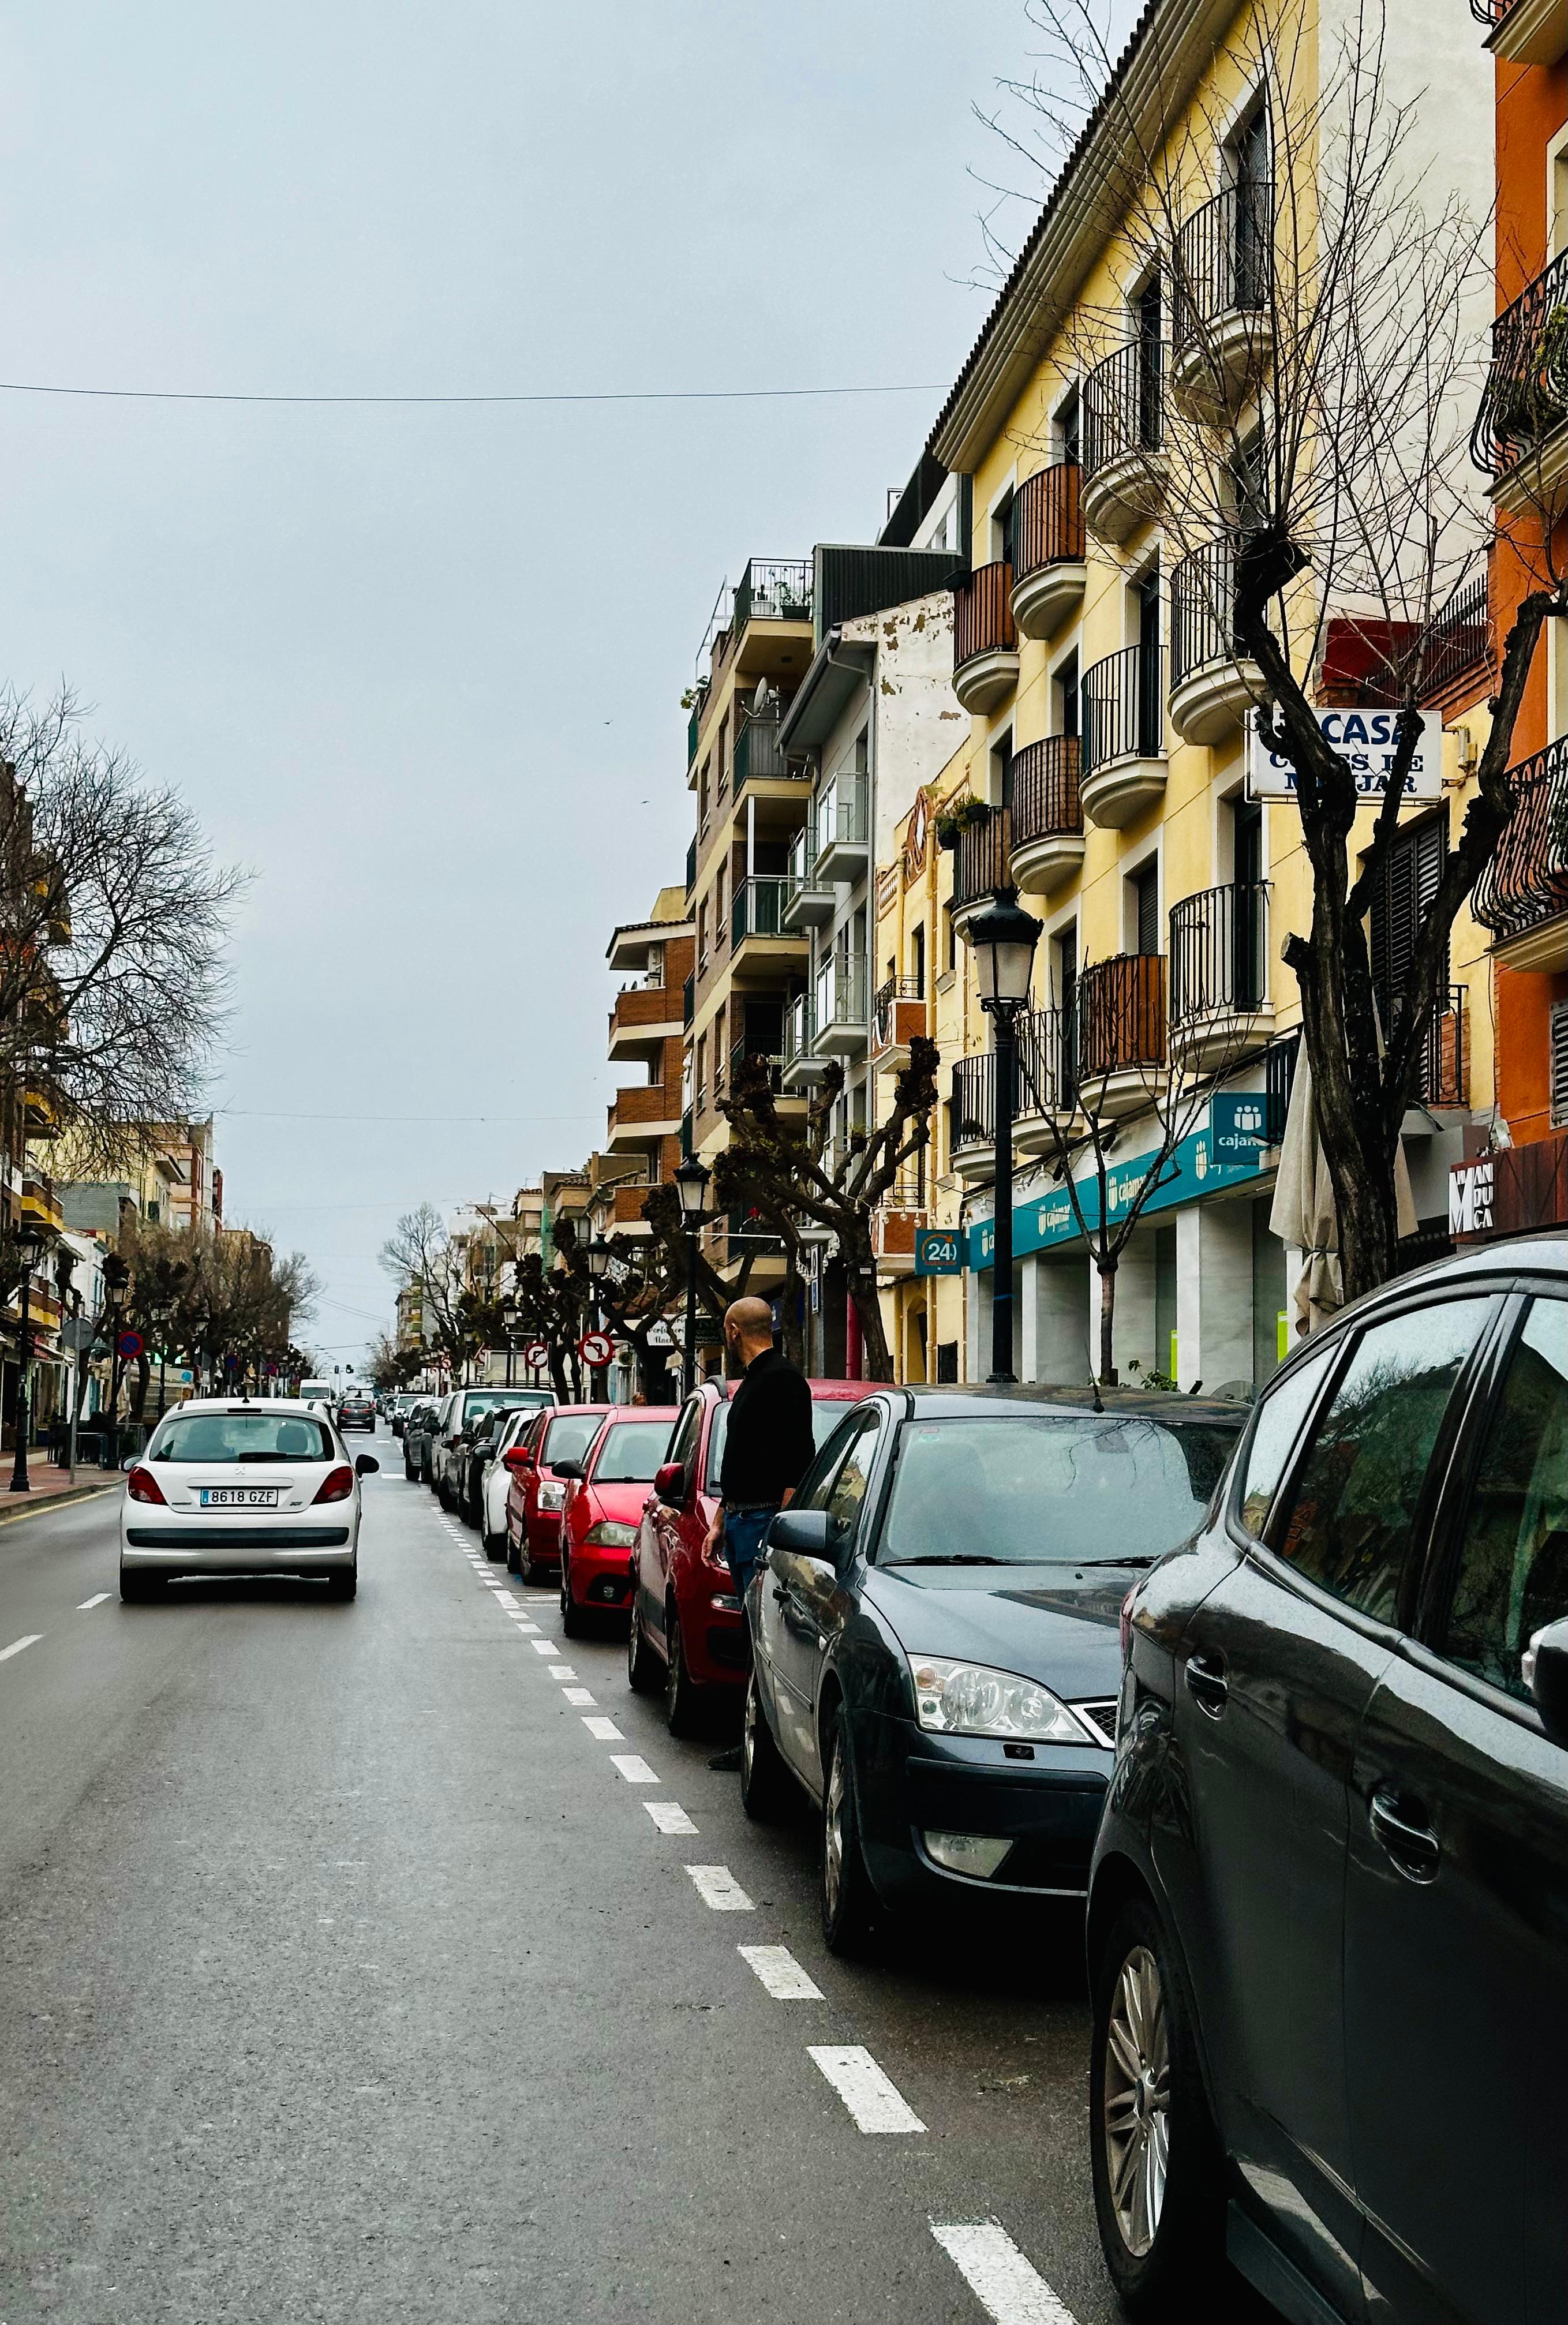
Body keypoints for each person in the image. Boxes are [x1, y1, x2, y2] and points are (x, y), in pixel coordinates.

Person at [705, 1296, 814, 1770]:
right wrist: (718, 1520)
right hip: (741, 1520)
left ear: (732, 1331)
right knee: (753, 1633)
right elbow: (742, 1459)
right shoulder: (755, 1381)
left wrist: (779, 1530)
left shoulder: (782, 1380)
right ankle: (754, 1737)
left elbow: (797, 1459)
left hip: (761, 1523)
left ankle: (764, 1747)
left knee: (763, 1639)